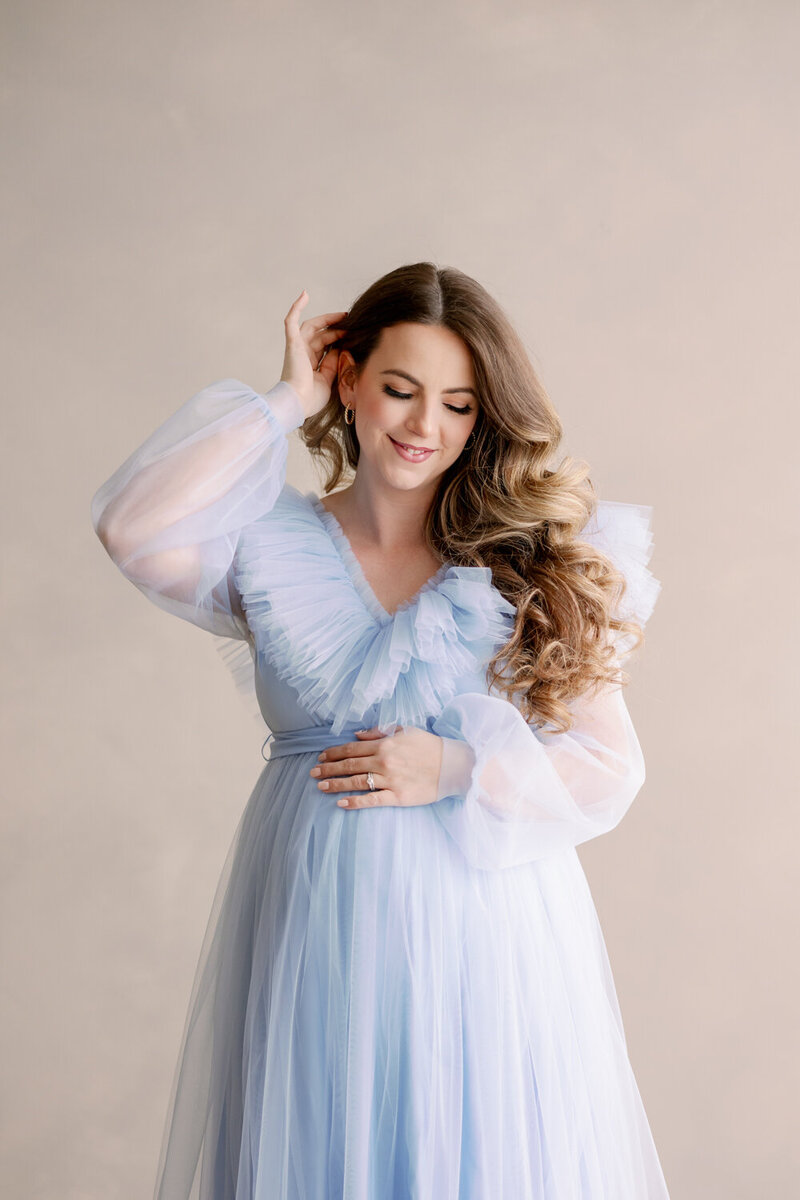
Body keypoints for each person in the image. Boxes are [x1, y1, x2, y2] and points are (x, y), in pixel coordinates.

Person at [90, 262, 670, 1199]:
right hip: (312, 921)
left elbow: (610, 768)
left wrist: (455, 766)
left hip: (483, 932)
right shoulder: (267, 544)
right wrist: (284, 399)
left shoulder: (528, 564)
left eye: (458, 405)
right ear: (350, 379)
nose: (422, 426)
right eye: (398, 389)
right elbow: (130, 528)